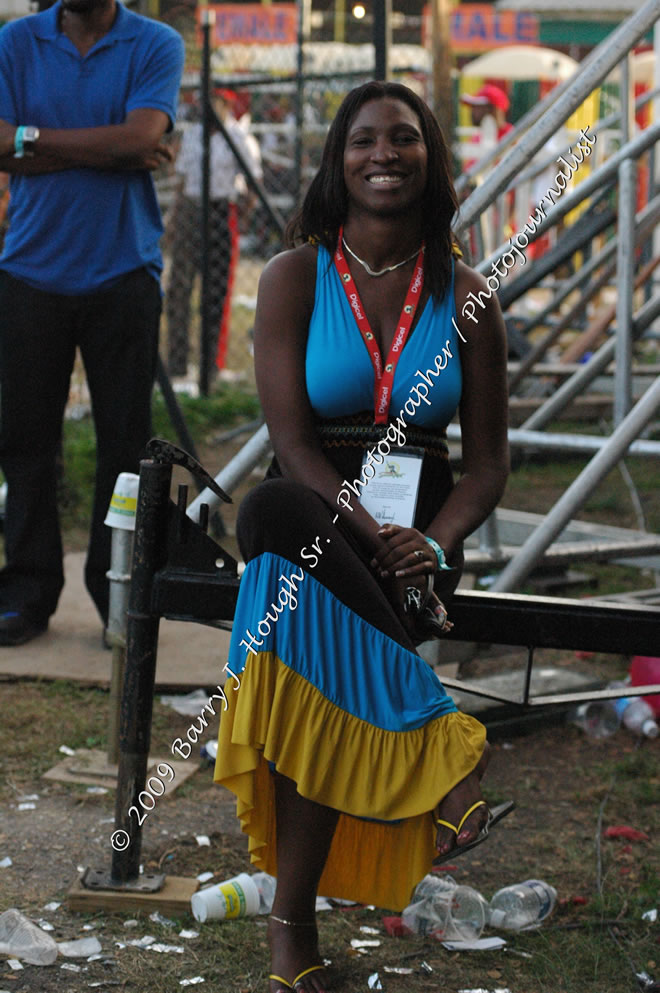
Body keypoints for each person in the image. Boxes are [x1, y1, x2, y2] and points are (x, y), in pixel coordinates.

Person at [214, 81, 511, 993]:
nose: (384, 153)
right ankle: (439, 747)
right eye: (364, 140)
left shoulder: (468, 292)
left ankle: (290, 943)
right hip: (326, 524)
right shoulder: (295, 276)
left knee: (308, 641)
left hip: (413, 561)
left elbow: (489, 464)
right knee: (271, 513)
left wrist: (436, 544)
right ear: (337, 162)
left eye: (405, 139)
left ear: (430, 160)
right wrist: (374, 538)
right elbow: (293, 446)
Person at [0, 0, 184, 645]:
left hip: (122, 275)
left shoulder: (155, 43)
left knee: (125, 449)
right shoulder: (16, 42)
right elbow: (131, 144)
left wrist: (29, 139)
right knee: (24, 446)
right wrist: (111, 150)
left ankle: (118, 598)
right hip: (27, 274)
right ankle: (26, 595)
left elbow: (140, 140)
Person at [165, 88, 262, 376]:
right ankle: (177, 361)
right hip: (191, 208)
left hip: (221, 207)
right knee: (179, 287)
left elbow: (253, 181)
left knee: (216, 290)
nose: (205, 107)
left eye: (213, 102)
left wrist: (242, 214)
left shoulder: (238, 136)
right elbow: (182, 180)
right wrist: (174, 217)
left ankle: (211, 364)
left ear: (226, 104)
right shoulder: (194, 134)